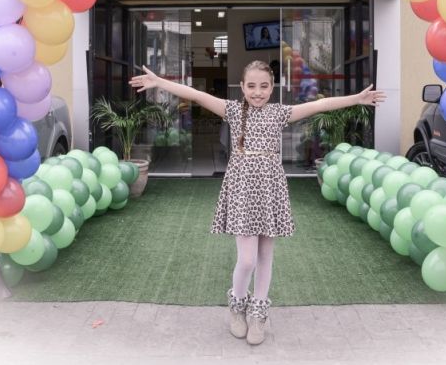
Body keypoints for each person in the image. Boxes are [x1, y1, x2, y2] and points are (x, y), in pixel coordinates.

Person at [130, 61, 385, 345]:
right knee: (248, 259)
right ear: (242, 87)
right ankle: (237, 305)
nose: (258, 92)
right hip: (242, 189)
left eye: (264, 86)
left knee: (265, 256)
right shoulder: (233, 110)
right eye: (251, 86)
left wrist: (357, 99)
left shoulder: (279, 113)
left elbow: (320, 105)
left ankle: (259, 312)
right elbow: (196, 95)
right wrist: (160, 83)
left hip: (270, 188)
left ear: (272, 87)